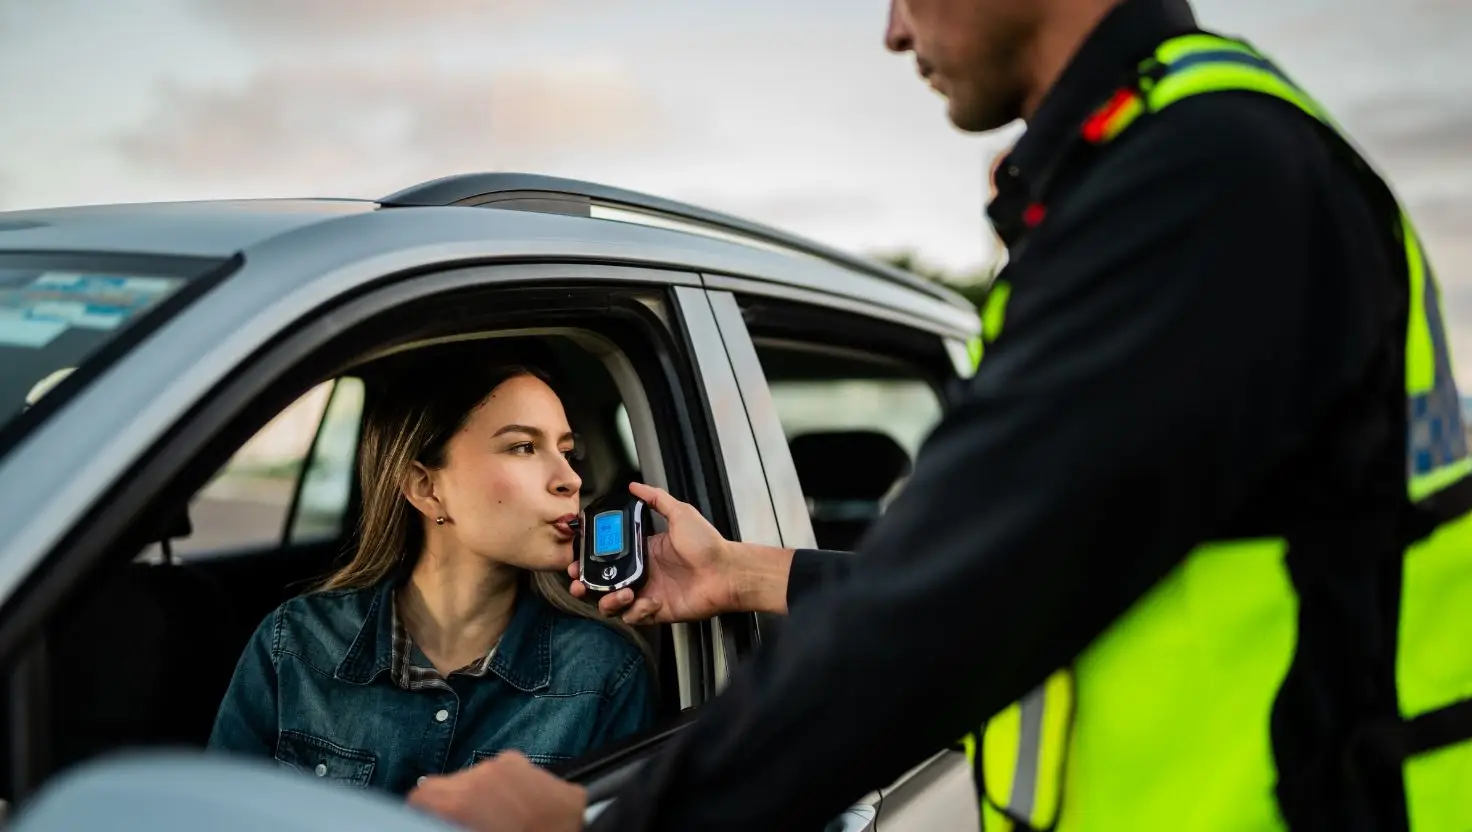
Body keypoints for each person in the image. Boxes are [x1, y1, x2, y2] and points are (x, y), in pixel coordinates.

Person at [406, 0, 1472, 828]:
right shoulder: (1188, 163)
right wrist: (739, 573)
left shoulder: (1201, 181)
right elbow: (1029, 561)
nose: (892, 29)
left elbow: (943, 613)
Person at [208, 347, 657, 795]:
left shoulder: (604, 675)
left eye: (567, 451)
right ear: (426, 487)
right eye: (523, 447)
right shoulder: (296, 645)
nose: (571, 479)